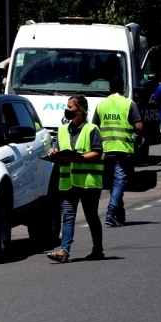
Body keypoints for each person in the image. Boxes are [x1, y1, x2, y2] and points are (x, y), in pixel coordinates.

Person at [46, 95, 105, 263]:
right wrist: (53, 152)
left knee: (91, 216)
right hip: (68, 181)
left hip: (88, 182)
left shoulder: (92, 129)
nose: (67, 110)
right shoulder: (62, 129)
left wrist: (79, 159)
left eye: (70, 107)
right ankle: (64, 251)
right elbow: (57, 147)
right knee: (68, 216)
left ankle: (98, 250)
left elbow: (98, 152)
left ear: (80, 110)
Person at [93, 75, 143, 228]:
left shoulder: (101, 105)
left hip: (106, 149)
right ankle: (110, 212)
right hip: (123, 148)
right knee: (120, 181)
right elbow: (139, 127)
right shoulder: (129, 104)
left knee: (115, 183)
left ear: (109, 88)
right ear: (123, 88)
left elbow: (94, 127)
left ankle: (119, 216)